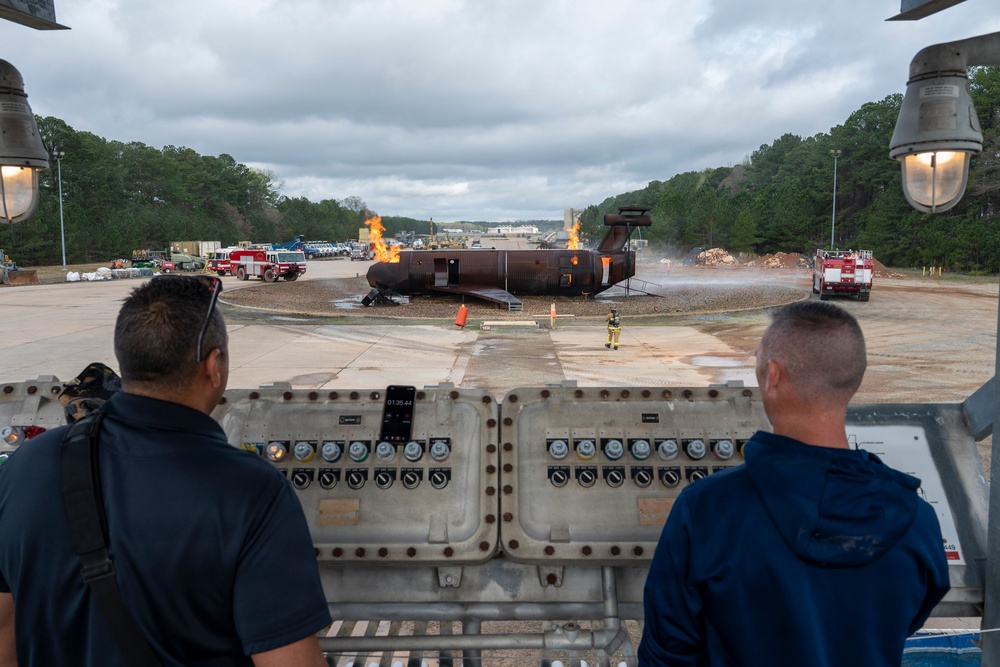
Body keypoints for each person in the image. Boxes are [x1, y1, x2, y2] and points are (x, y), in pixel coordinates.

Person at [0, 275, 331, 667]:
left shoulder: (25, 466)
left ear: (126, 361)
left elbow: (6, 630)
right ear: (214, 366)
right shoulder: (251, 491)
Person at [639, 300, 949, 667]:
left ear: (772, 375)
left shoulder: (705, 510)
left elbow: (667, 653)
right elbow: (904, 622)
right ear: (853, 378)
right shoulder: (917, 520)